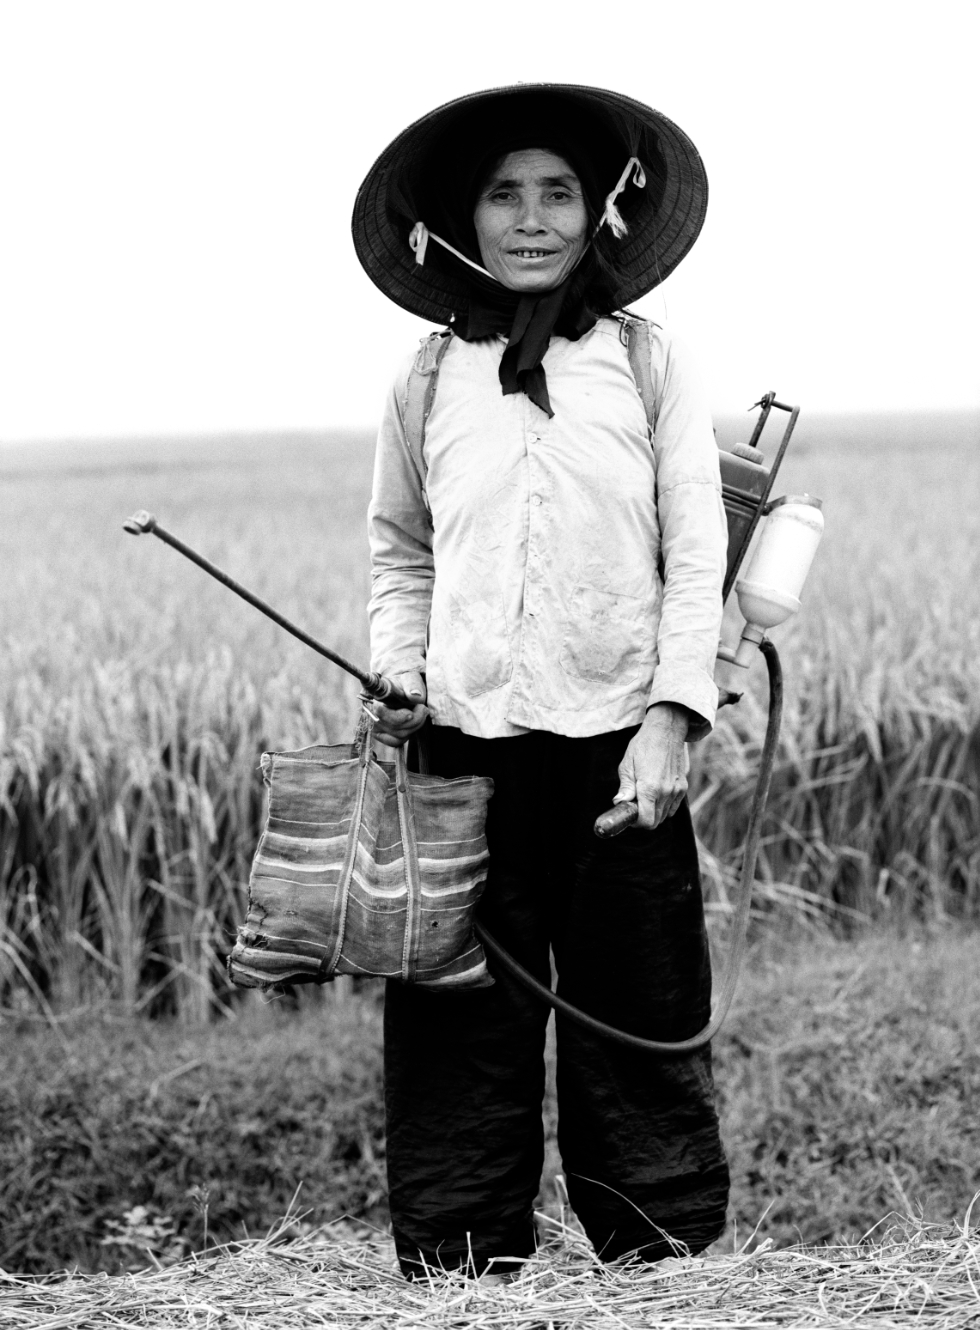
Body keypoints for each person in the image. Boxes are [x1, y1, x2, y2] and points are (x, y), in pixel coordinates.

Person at [351, 83, 730, 1280]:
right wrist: (398, 668)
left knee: (638, 1008)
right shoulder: (425, 378)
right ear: (463, 217)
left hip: (618, 746)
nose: (529, 219)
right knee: (455, 1017)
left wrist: (669, 722)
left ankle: (659, 1266)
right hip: (460, 746)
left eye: (556, 192)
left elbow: (695, 553)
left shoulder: (645, 362)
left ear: (597, 210)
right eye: (503, 194)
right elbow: (400, 552)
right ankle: (461, 1273)